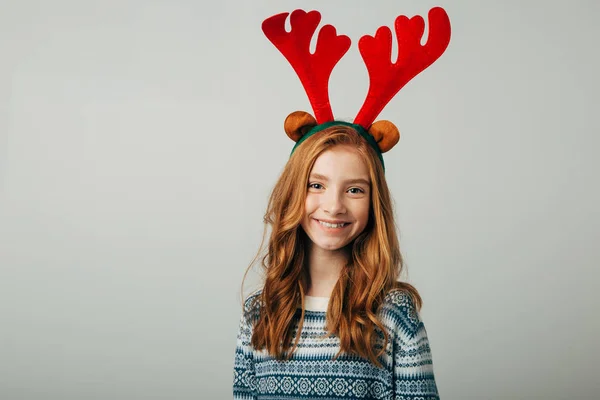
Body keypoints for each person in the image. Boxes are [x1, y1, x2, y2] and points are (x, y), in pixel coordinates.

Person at [233, 6, 451, 399]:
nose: (334, 206)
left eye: (354, 189)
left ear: (374, 205)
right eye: (317, 185)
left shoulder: (394, 314)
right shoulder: (259, 313)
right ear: (292, 195)